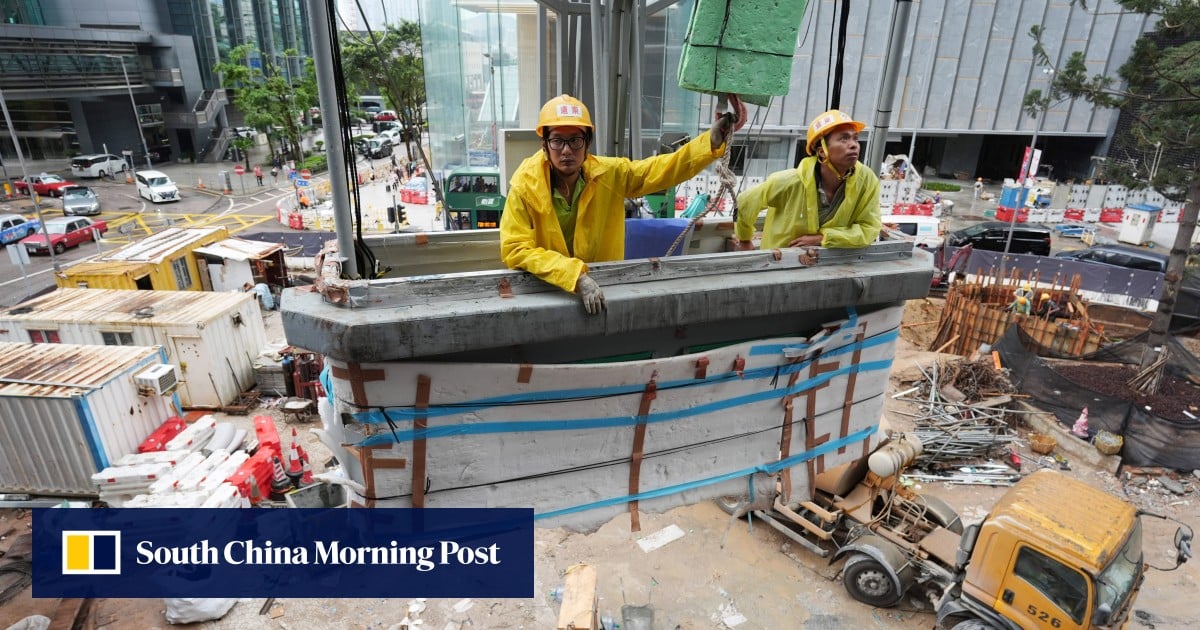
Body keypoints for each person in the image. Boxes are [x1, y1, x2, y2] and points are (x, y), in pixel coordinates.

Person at [500, 93, 745, 315]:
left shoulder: (609, 175)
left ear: (587, 143)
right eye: (557, 140)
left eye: (575, 140)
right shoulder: (525, 185)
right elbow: (515, 248)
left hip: (605, 289)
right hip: (548, 293)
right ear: (544, 144)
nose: (566, 150)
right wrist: (574, 275)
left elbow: (659, 170)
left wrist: (709, 144)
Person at [733, 109, 880, 250]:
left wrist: (823, 238)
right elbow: (745, 202)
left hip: (831, 263)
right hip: (780, 261)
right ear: (822, 151)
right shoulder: (789, 182)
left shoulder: (866, 181)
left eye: (855, 138)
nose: (854, 145)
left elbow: (870, 228)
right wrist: (744, 239)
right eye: (844, 139)